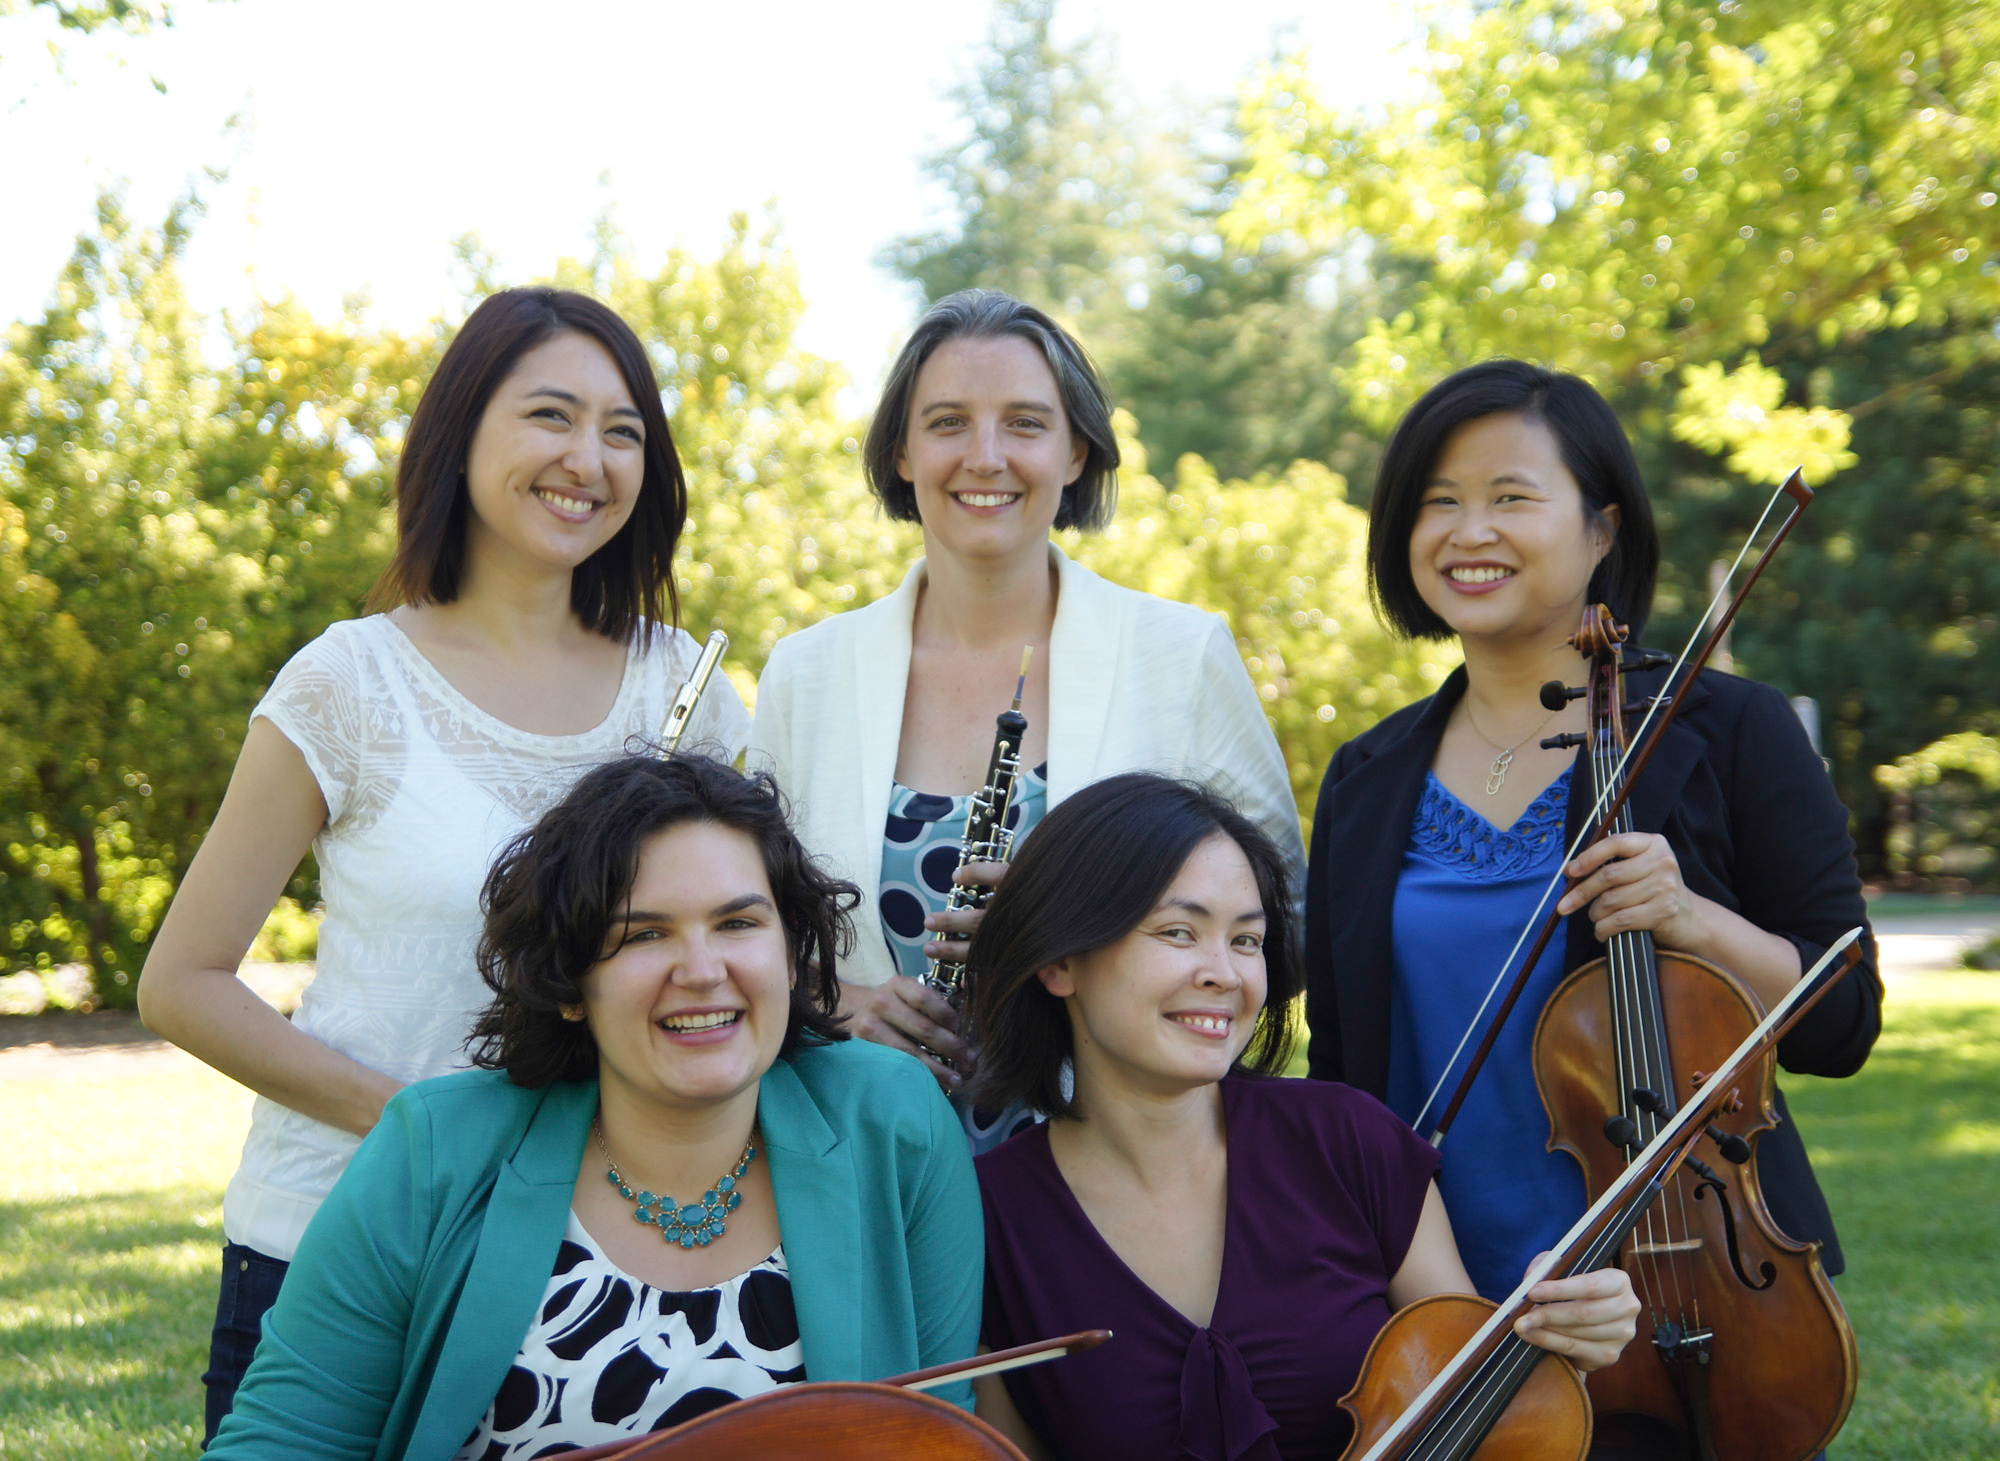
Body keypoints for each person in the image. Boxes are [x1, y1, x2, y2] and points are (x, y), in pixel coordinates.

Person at [137, 287, 751, 1438]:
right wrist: (429, 1131)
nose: (588, 458)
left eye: (624, 432)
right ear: (461, 433)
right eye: (550, 416)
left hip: (593, 1253)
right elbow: (182, 983)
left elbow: (737, 943)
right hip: (344, 1233)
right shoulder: (348, 680)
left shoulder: (687, 690)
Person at [1302, 361, 1880, 1454]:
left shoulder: (1729, 732)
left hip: (1681, 1284)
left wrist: (1691, 919)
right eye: (1436, 500)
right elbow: (1343, 1076)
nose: (1467, 529)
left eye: (1510, 497)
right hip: (1442, 1298)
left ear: (1601, 527)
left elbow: (1844, 1022)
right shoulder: (1366, 778)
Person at [206, 754, 982, 1460]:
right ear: (571, 983)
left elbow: (941, 1433)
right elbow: (280, 1442)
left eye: (738, 922)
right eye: (644, 934)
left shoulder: (893, 1119)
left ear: (789, 951)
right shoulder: (431, 1149)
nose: (704, 969)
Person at [748, 289, 1303, 1137]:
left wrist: (1090, 923)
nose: (985, 455)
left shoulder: (1180, 654)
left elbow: (1283, 916)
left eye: (1025, 423)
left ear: (1077, 452)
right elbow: (745, 919)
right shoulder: (807, 671)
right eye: (946, 423)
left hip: (1113, 1164)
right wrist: (830, 1001)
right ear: (900, 452)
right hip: (868, 1153)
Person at [961, 773, 1638, 1460]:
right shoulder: (983, 1216)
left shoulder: (1349, 1140)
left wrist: (1560, 1342)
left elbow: (1479, 1416)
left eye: (1247, 941)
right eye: (1178, 931)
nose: (1224, 973)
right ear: (1060, 959)